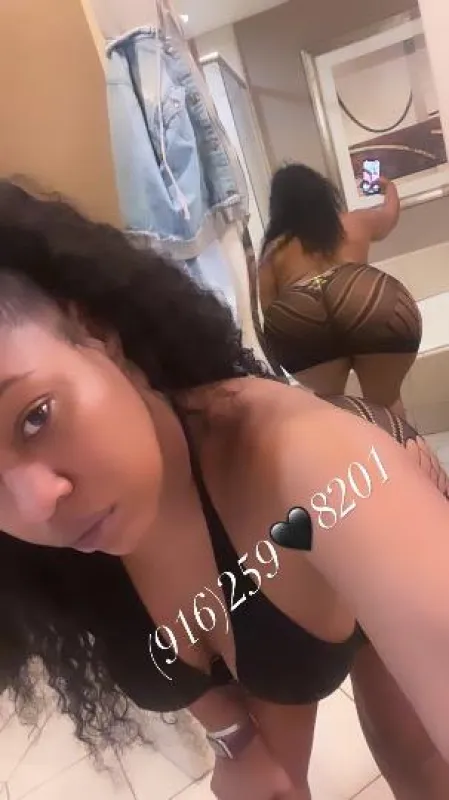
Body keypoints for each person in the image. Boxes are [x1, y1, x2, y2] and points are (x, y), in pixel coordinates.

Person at [0, 180, 448, 800]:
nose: (32, 504)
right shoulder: (63, 539)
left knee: (417, 760)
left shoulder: (316, 469)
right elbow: (195, 671)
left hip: (359, 466)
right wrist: (237, 739)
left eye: (35, 417)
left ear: (95, 331)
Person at [259, 164, 422, 416]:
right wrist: (389, 188)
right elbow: (390, 215)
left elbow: (269, 313)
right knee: (386, 403)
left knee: (332, 406)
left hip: (304, 319)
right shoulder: (353, 222)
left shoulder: (272, 252)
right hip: (362, 301)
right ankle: (398, 439)